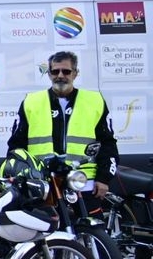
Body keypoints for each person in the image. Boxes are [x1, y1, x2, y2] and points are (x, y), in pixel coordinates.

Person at [7, 51, 117, 194]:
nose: (60, 75)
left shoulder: (94, 101)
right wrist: (17, 176)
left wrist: (104, 179)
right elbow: (16, 146)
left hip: (84, 182)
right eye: (55, 71)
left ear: (75, 73)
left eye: (66, 71)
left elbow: (108, 144)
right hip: (42, 182)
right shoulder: (31, 102)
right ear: (49, 74)